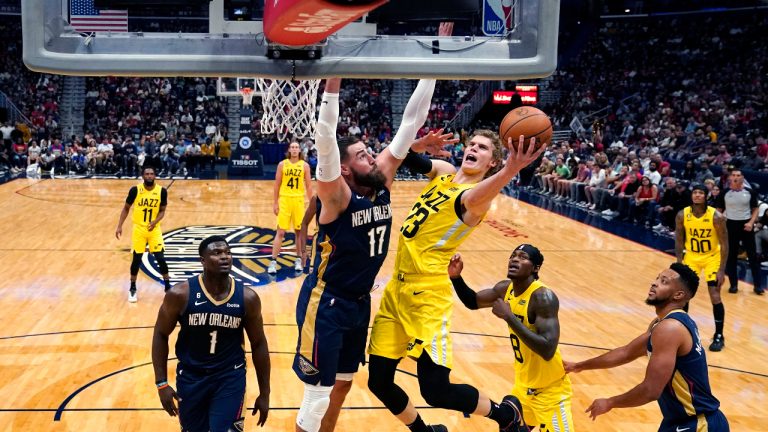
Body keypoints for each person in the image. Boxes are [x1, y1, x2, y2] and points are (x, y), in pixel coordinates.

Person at [293, 67, 455, 432]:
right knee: (317, 396)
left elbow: (410, 122)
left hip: (359, 302)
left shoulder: (381, 181)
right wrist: (332, 81)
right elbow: (325, 141)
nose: (373, 157)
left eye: (370, 153)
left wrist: (432, 70)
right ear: (346, 169)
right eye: (363, 155)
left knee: (342, 386)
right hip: (327, 302)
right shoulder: (336, 195)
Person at [366, 126, 545, 430]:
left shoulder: (474, 200)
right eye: (472, 144)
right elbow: (402, 157)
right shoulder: (445, 171)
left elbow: (485, 191)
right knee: (379, 382)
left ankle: (506, 416)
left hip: (428, 297)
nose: (474, 149)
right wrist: (418, 145)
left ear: (491, 162)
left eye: (483, 148)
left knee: (435, 391)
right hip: (398, 290)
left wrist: (511, 169)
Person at [564, 263, 730, 431]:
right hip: (680, 421)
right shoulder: (662, 324)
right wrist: (579, 366)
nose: (654, 283)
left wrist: (610, 402)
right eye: (657, 278)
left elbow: (651, 390)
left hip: (699, 424)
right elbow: (626, 352)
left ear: (678, 295)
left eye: (664, 281)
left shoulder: (670, 329)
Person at [447, 245, 574, 432]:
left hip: (550, 392)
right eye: (513, 256)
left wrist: (509, 317)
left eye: (523, 257)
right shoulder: (504, 289)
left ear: (535, 268)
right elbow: (472, 301)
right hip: (523, 388)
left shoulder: (542, 297)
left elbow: (548, 350)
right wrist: (456, 278)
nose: (515, 260)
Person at [151, 236, 271, 432]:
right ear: (203, 260)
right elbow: (160, 334)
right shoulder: (180, 295)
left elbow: (258, 343)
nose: (225, 257)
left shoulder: (247, 298)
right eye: (217, 253)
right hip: (191, 377)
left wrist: (265, 392)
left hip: (229, 376)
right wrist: (161, 383)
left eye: (227, 252)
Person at [675, 184, 729, 351]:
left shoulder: (716, 217)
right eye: (695, 192)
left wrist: (721, 270)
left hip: (712, 257)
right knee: (683, 295)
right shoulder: (682, 214)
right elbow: (678, 240)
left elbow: (725, 243)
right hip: (691, 257)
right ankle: (681, 333)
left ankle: (719, 335)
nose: (697, 195)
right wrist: (679, 263)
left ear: (706, 196)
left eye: (700, 193)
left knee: (714, 295)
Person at [115, 165, 171, 302]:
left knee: (160, 258)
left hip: (154, 229)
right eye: (147, 174)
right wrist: (119, 226)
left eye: (152, 174)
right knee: (136, 259)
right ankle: (133, 287)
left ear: (155, 176)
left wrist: (156, 220)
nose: (149, 176)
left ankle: (168, 287)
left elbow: (162, 211)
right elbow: (126, 208)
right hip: (139, 229)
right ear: (142, 176)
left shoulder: (162, 191)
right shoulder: (135, 190)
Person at [715, 168, 762, 295]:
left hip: (746, 225)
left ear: (742, 178)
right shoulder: (724, 193)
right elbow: (718, 210)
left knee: (752, 256)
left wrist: (751, 223)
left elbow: (755, 209)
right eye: (733, 175)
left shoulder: (750, 192)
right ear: (730, 178)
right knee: (731, 256)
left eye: (738, 175)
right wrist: (720, 221)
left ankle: (758, 286)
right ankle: (733, 285)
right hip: (730, 225)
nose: (735, 177)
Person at [269, 141, 313, 274]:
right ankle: (273, 261)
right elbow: (277, 185)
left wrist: (312, 203)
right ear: (289, 150)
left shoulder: (304, 166)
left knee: (299, 232)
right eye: (292, 147)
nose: (294, 149)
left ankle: (298, 259)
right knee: (280, 232)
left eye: (296, 147)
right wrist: (275, 203)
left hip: (299, 201)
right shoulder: (282, 164)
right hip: (285, 200)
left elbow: (309, 186)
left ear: (299, 150)